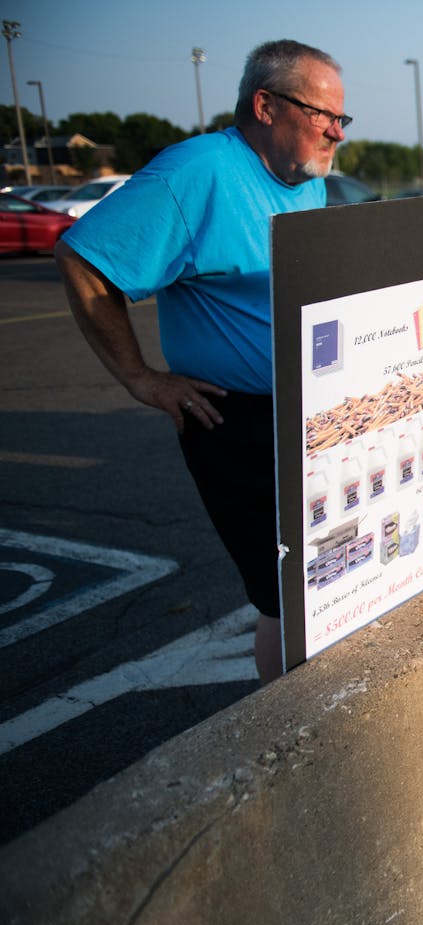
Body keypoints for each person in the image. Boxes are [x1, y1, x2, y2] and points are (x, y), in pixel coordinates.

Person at [55, 39, 348, 683]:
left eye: (341, 120)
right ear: (265, 105)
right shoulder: (196, 172)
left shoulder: (306, 182)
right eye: (322, 115)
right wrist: (140, 378)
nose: (336, 133)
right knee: (285, 597)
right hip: (234, 420)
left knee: (327, 586)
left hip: (306, 413)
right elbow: (84, 259)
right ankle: (290, 733)